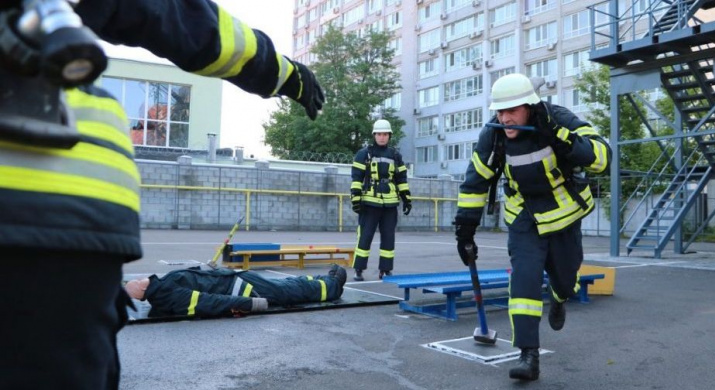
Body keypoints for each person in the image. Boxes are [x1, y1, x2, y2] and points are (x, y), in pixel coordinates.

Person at [0, 1, 324, 389]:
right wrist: (282, 73)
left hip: (74, 217)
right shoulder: (166, 292)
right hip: (71, 209)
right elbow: (174, 17)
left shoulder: (163, 286)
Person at [453, 73, 611, 381]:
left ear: (529, 105)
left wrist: (562, 140)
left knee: (566, 280)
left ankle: (560, 296)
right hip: (523, 217)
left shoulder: (557, 118)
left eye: (512, 110)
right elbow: (476, 182)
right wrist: (465, 228)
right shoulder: (494, 134)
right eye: (500, 111)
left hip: (563, 213)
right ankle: (528, 355)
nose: (505, 118)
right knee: (523, 281)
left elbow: (603, 158)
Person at [125, 265, 348, 318]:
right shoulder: (167, 296)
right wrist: (249, 304)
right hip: (245, 289)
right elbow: (207, 302)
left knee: (287, 284)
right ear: (141, 291)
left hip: (234, 278)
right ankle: (333, 286)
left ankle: (322, 279)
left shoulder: (163, 284)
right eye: (134, 283)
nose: (135, 280)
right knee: (288, 291)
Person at [350, 119, 412, 281]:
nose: (382, 137)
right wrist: (356, 199)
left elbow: (402, 178)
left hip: (390, 204)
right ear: (374, 135)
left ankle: (386, 269)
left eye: (385, 134)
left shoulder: (396, 155)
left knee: (388, 237)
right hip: (369, 202)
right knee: (365, 236)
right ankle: (359, 269)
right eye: (379, 134)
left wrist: (407, 198)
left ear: (389, 135)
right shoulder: (364, 153)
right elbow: (356, 178)